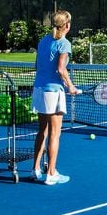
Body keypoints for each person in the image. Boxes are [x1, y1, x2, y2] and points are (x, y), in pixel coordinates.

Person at [31, 10, 77, 186]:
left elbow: (37, 65)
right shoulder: (64, 43)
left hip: (39, 90)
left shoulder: (43, 41)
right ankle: (50, 173)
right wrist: (70, 86)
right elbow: (60, 69)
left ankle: (35, 169)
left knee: (42, 130)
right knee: (55, 134)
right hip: (53, 92)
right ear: (67, 25)